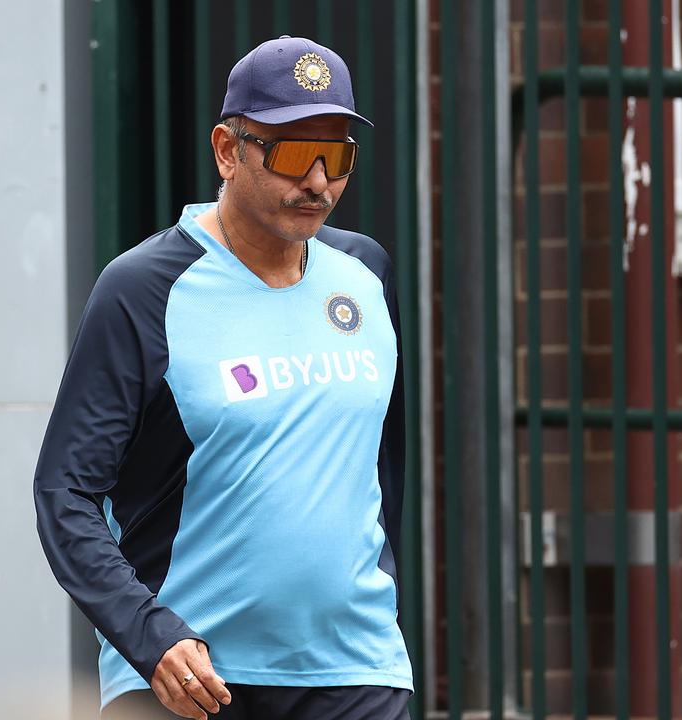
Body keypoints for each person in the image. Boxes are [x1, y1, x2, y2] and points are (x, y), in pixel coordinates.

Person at [34, 37, 413, 720]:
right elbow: (64, 492)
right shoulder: (143, 289)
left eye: (339, 157)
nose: (320, 181)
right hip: (188, 682)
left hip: (356, 670)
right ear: (227, 150)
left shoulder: (367, 274)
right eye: (296, 153)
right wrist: (147, 637)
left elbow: (384, 469)